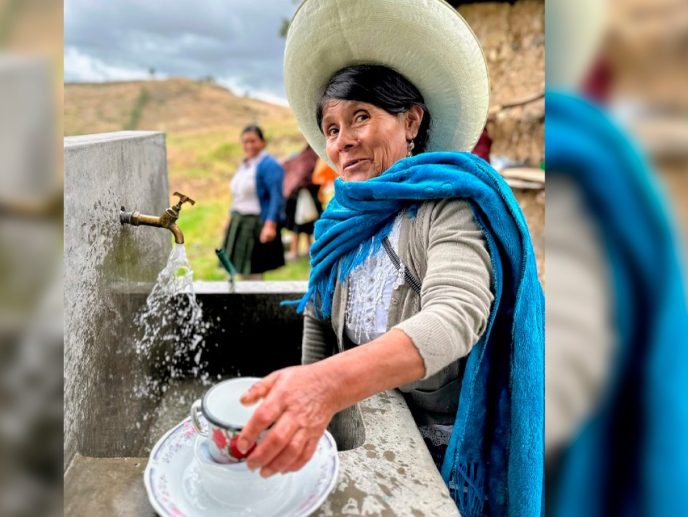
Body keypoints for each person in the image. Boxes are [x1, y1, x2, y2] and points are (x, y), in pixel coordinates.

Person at [232, 2, 544, 516]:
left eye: (360, 117)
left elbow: (456, 315)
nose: (343, 141)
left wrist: (327, 387)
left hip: (446, 456)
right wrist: (308, 421)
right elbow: (318, 325)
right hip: (373, 434)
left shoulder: (447, 208)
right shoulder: (343, 220)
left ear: (411, 121)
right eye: (331, 128)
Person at [221, 124, 285, 278]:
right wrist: (230, 218)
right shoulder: (245, 165)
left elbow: (276, 196)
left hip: (255, 224)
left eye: (253, 141)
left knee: (253, 270)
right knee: (236, 270)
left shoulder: (269, 165)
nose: (249, 145)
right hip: (239, 221)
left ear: (263, 142)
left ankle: (254, 299)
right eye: (245, 141)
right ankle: (238, 298)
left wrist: (270, 225)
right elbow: (238, 195)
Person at [282, 144, 321, 259]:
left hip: (304, 196)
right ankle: (295, 252)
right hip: (302, 197)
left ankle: (308, 250)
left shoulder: (304, 156)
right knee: (299, 226)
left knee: (307, 225)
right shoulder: (310, 156)